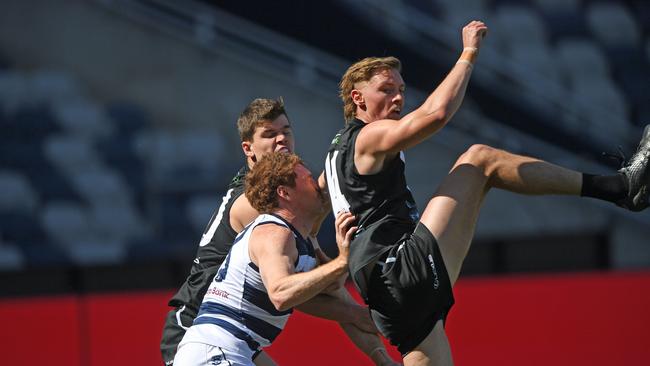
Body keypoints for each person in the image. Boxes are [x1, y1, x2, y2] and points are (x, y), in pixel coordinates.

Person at [323, 20, 650, 365]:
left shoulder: (333, 155)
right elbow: (435, 114)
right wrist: (468, 53)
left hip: (382, 297)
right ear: (357, 98)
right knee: (480, 161)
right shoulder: (368, 137)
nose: (399, 97)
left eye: (402, 89)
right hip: (398, 268)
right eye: (387, 89)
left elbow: (316, 202)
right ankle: (619, 187)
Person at [161, 98, 395, 365]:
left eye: (286, 131)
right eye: (270, 134)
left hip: (236, 338)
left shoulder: (286, 214)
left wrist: (378, 352)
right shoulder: (261, 210)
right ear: (248, 149)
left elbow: (325, 285)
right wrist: (361, 145)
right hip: (194, 325)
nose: (282, 139)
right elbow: (287, 292)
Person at [173, 152, 361, 365]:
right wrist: (341, 262)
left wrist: (342, 258)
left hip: (227, 348)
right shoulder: (275, 233)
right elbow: (280, 293)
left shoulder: (295, 238)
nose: (317, 186)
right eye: (309, 179)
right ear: (285, 192)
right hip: (215, 349)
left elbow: (331, 284)